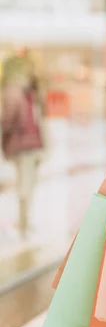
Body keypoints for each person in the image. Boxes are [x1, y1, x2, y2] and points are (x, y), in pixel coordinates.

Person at [1, 48, 45, 239]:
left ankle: (24, 223)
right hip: (24, 144)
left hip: (28, 144)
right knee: (25, 186)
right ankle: (23, 225)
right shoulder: (16, 91)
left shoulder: (24, 90)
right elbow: (9, 120)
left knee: (27, 185)